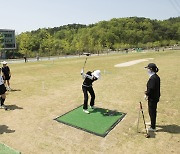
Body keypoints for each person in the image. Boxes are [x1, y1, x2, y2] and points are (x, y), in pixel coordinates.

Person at [144, 63, 160, 132]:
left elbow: (151, 89)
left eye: (148, 69)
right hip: (155, 96)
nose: (147, 70)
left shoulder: (153, 78)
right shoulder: (156, 77)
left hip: (153, 98)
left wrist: (146, 94)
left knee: (152, 111)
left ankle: (153, 127)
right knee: (152, 111)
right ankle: (152, 123)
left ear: (151, 69)